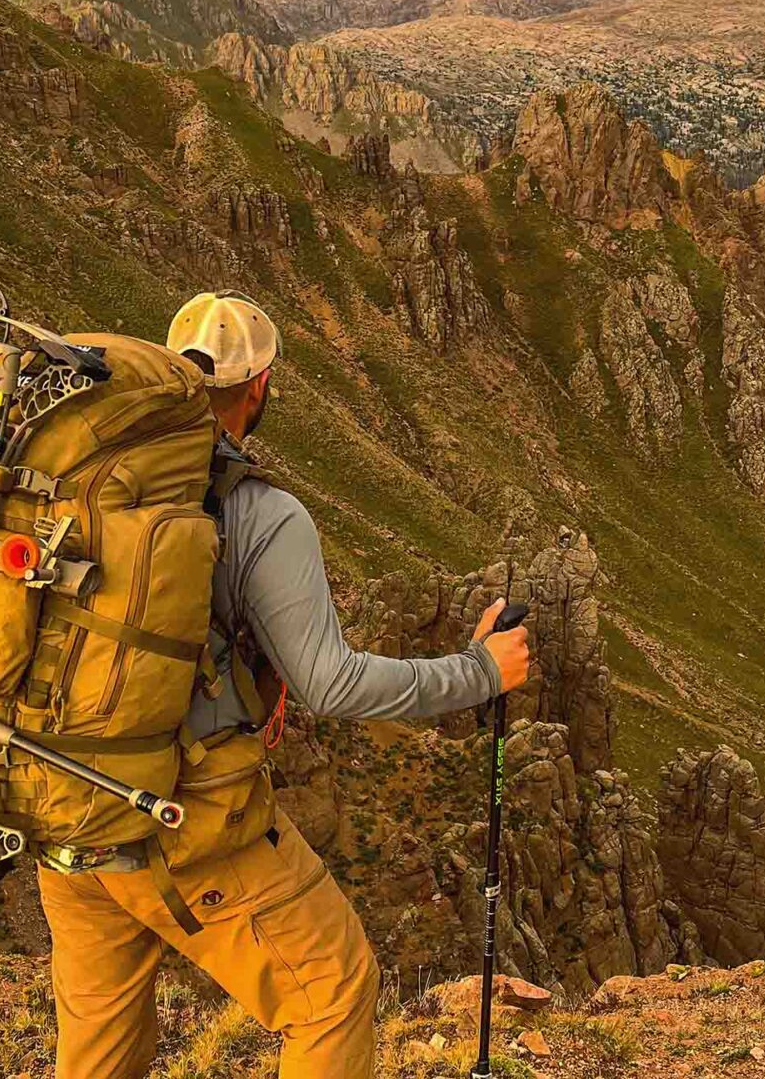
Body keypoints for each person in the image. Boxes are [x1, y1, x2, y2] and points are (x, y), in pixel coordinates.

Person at [36, 290, 533, 1079]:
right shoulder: (262, 514)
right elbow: (332, 684)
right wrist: (479, 672)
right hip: (178, 820)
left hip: (63, 804)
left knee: (100, 1047)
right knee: (334, 994)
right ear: (261, 386)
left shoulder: (92, 481)